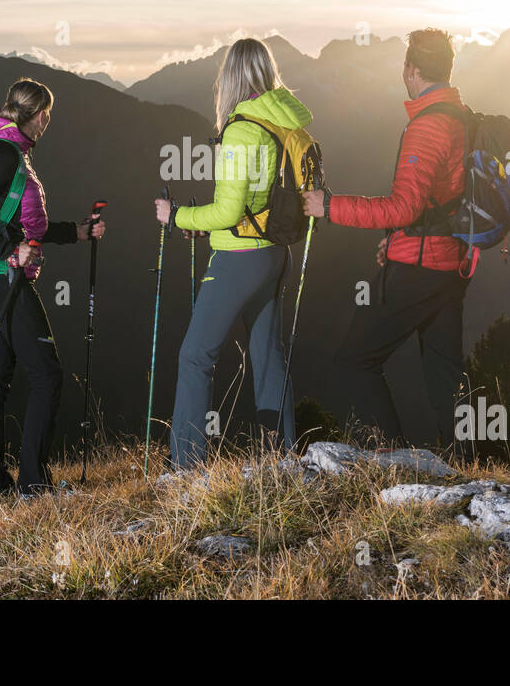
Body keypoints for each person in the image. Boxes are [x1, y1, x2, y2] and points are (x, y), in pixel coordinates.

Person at [301, 28, 478, 449]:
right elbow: (440, 202)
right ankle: (463, 465)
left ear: (411, 69)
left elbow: (405, 208)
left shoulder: (427, 125)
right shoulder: (463, 117)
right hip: (452, 262)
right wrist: (398, 238)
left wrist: (328, 206)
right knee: (445, 374)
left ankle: (391, 459)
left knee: (354, 362)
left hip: (420, 267)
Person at [155, 37, 311, 468]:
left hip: (238, 257)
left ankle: (186, 468)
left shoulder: (241, 130)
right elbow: (252, 204)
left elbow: (227, 210)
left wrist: (177, 217)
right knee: (267, 356)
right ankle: (283, 457)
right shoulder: (282, 123)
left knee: (195, 355)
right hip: (273, 252)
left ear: (232, 77)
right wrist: (205, 226)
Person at [0, 78, 105, 497]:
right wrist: (8, 251)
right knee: (47, 374)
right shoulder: (4, 153)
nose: (48, 121)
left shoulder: (12, 151)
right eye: (47, 114)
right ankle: (33, 484)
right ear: (40, 115)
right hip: (4, 278)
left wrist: (78, 232)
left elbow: (25, 226)